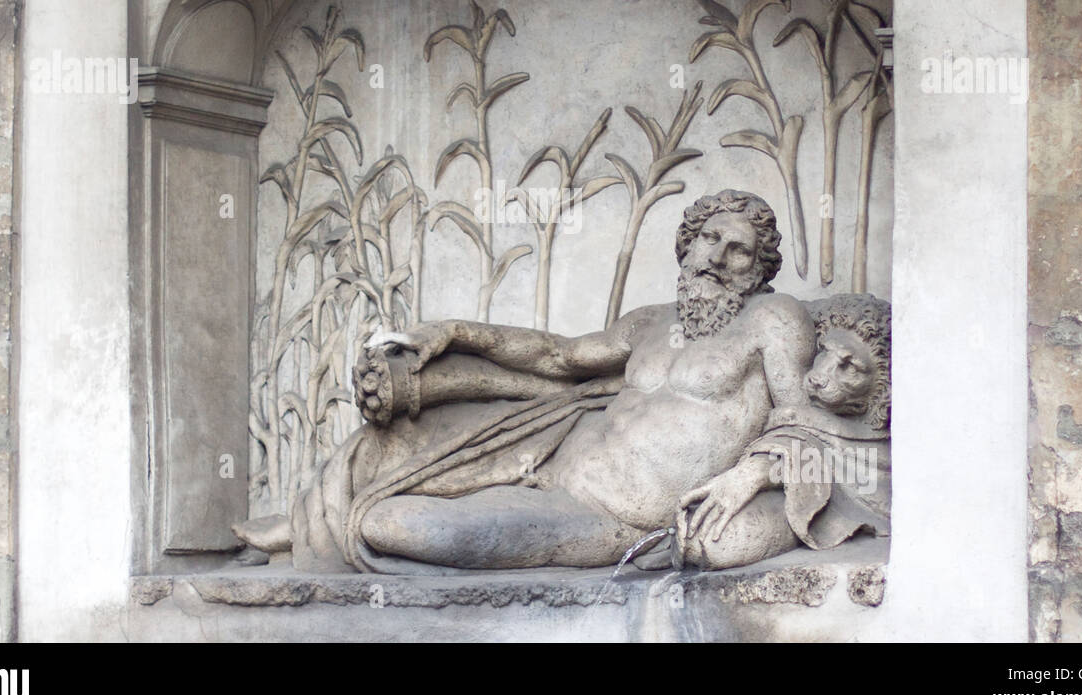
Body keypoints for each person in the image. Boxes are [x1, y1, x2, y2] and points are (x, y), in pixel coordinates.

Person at [239, 190, 817, 573]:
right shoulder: (651, 320)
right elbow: (559, 358)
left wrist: (749, 477)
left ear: (760, 271)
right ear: (687, 246)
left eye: (739, 251)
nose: (717, 257)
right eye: (709, 240)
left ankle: (330, 530)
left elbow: (804, 422)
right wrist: (454, 331)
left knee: (394, 523)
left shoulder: (773, 318)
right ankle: (304, 523)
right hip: (545, 464)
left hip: (609, 517)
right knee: (401, 445)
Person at [676, 294, 891, 570]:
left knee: (712, 542)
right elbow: (797, 437)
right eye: (824, 352)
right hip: (796, 486)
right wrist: (753, 471)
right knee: (699, 532)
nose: (820, 375)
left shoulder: (890, 448)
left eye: (849, 367)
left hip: (825, 501)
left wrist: (756, 473)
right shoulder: (804, 413)